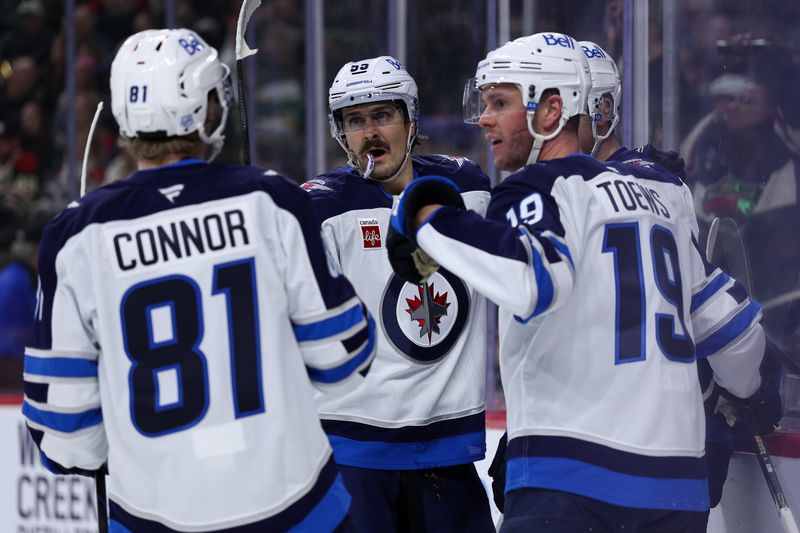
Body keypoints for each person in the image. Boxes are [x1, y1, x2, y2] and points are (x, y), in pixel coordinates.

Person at [389, 32, 769, 532]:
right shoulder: (657, 198)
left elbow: (530, 278)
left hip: (572, 480)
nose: (483, 119)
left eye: (500, 103)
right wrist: (752, 396)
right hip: (675, 487)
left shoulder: (539, 186)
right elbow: (736, 335)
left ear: (550, 112)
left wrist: (426, 217)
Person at [22, 29, 376, 531]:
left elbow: (64, 433)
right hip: (297, 508)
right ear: (207, 108)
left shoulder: (76, 233)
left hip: (149, 516)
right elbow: (344, 355)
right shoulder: (271, 200)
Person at [302, 55, 494, 532]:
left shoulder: (467, 188)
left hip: (447, 454)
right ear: (339, 132)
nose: (369, 133)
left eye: (382, 116)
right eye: (355, 121)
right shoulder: (321, 207)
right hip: (354, 456)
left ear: (411, 121)